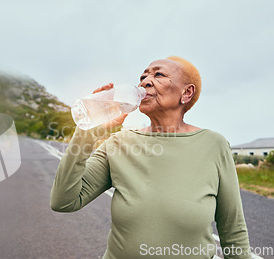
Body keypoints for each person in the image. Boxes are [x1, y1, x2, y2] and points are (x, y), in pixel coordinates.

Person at [50, 56, 251, 258]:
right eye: (143, 76)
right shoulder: (118, 143)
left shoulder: (213, 145)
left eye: (158, 74)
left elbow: (233, 230)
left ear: (187, 92)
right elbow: (64, 201)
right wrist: (89, 129)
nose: (145, 81)